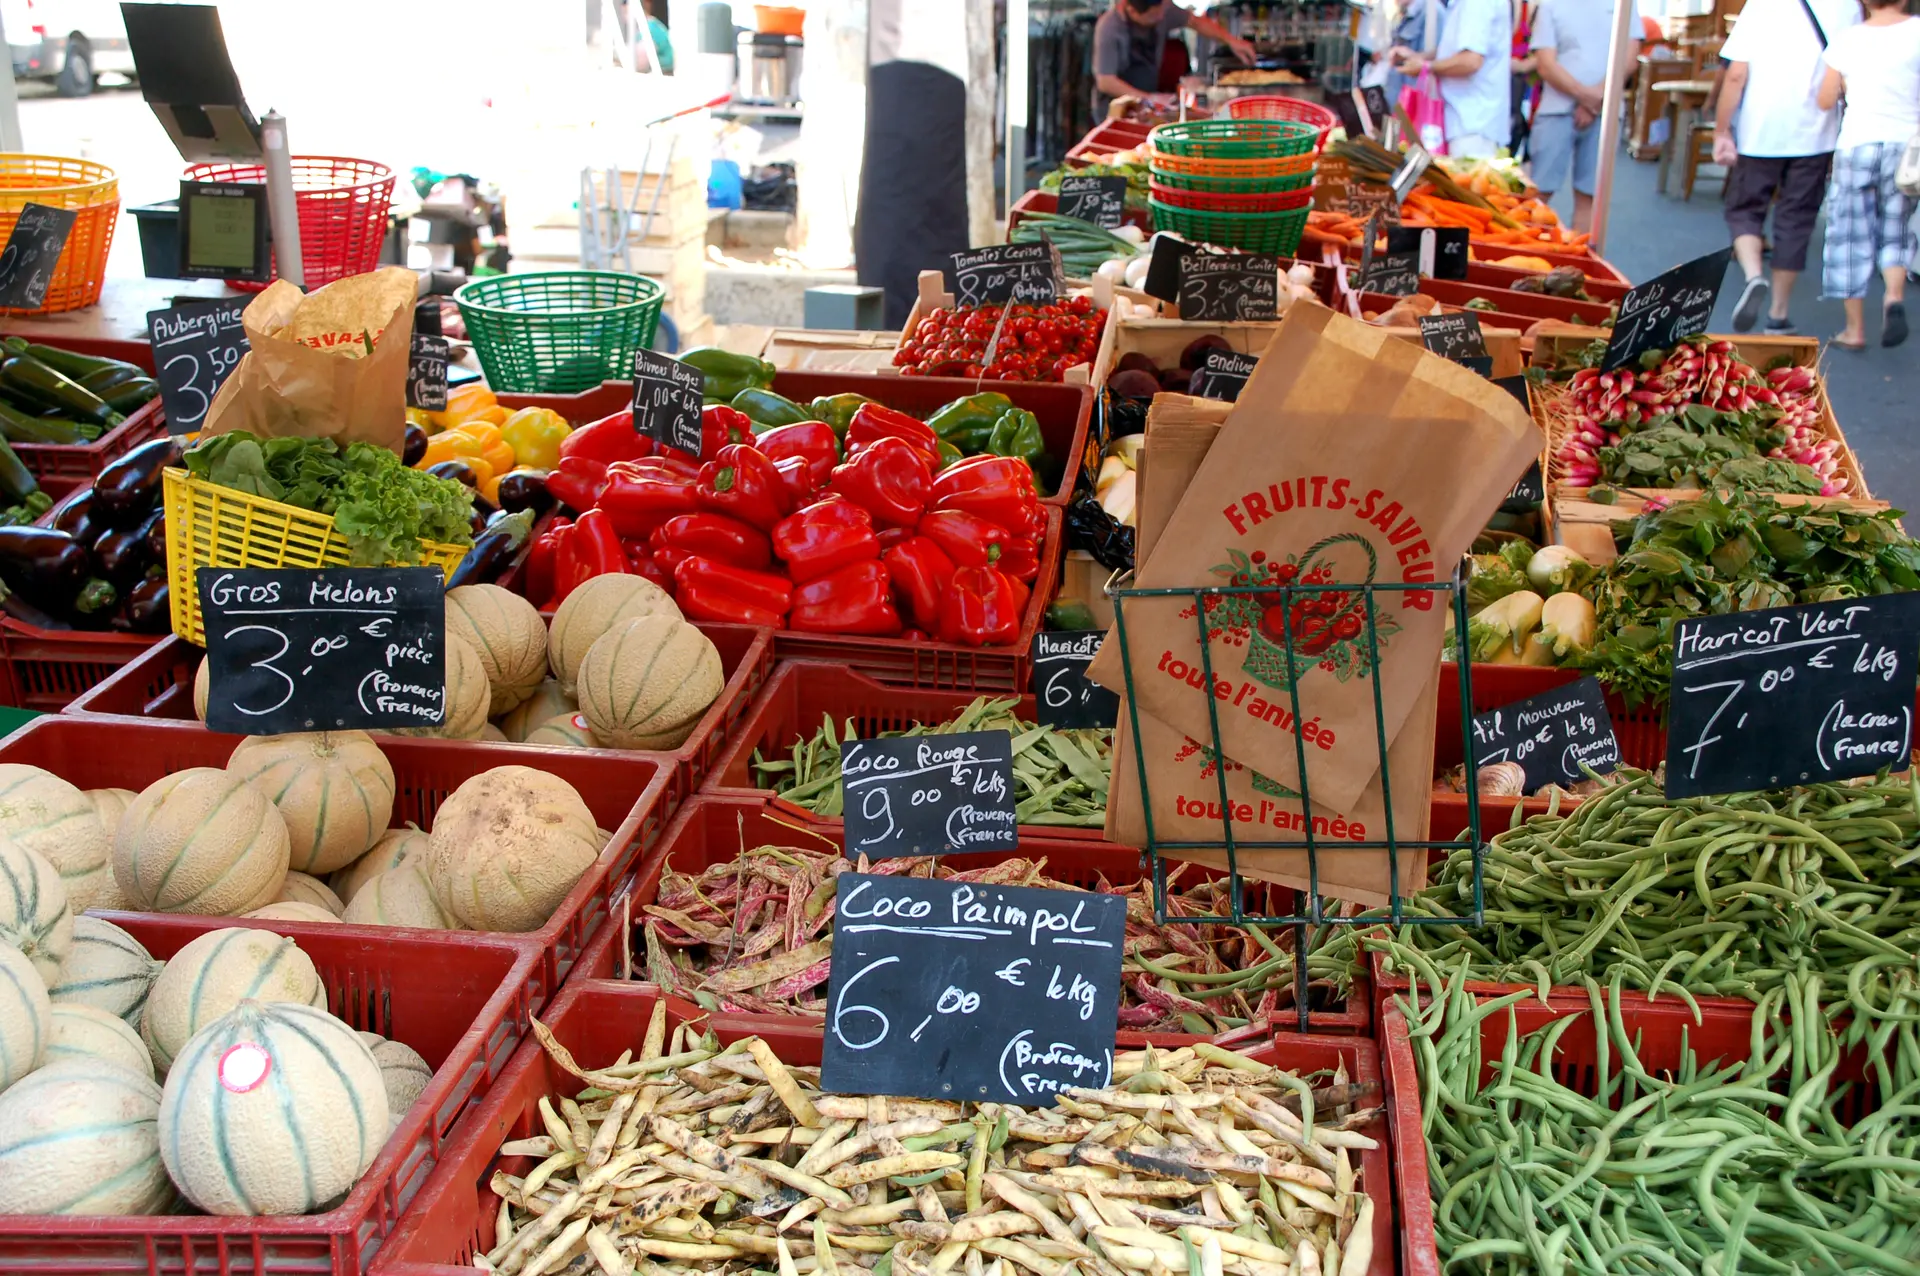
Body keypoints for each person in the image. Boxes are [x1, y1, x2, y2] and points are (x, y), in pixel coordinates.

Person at [1713, 0, 1862, 333]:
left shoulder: (1763, 4)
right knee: (1796, 219)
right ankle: (1778, 313)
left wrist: (1721, 129)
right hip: (1817, 133)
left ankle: (1754, 275)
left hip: (1761, 129)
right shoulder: (1848, 6)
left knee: (1745, 209)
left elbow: (1736, 73)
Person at [1815, 0, 1920, 347]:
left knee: (1850, 235)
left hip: (1857, 142)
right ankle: (1893, 298)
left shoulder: (1848, 39)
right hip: (1905, 146)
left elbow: (1825, 98)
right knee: (1897, 229)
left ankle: (1854, 329)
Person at [1529, 0, 1639, 231]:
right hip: (1557, 109)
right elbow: (1545, 64)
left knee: (1590, 197)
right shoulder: (1551, 5)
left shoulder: (1624, 4)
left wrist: (1595, 99)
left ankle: (1577, 260)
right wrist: (1587, 97)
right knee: (1537, 195)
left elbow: (1629, 59)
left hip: (1605, 113)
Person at [1389, 0, 1516, 157]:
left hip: (1472, 126)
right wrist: (1418, 58)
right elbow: (1455, 52)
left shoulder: (1476, 4)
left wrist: (1426, 67)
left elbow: (1470, 61)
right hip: (1464, 123)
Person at [1091, 0, 1257, 118]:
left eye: (1162, 12)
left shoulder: (1163, 9)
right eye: (1153, 17)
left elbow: (1195, 22)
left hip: (1147, 105)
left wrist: (1231, 41)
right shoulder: (1109, 29)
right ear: (1130, 10)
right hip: (1115, 109)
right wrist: (1149, 97)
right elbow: (1105, 81)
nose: (1160, 17)